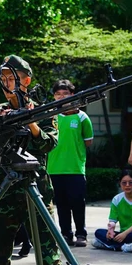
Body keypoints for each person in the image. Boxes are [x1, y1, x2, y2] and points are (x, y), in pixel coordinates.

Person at [0, 55, 67, 265]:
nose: (7, 84)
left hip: (37, 186)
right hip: (5, 188)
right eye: (4, 79)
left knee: (50, 255)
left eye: (13, 78)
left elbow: (48, 143)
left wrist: (30, 122)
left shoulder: (46, 111)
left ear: (27, 80)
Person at [47, 80, 93, 247]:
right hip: (54, 168)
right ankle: (66, 234)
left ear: (72, 95)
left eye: (65, 93)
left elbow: (88, 141)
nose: (61, 97)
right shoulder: (49, 116)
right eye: (58, 94)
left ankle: (81, 234)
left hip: (75, 168)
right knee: (61, 204)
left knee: (77, 202)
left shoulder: (82, 117)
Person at [92, 169, 132, 251]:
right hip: (123, 234)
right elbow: (112, 220)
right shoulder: (117, 199)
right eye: (124, 183)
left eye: (131, 182)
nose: (127, 185)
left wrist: (125, 234)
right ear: (120, 184)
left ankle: (112, 245)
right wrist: (110, 231)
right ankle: (124, 246)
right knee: (99, 232)